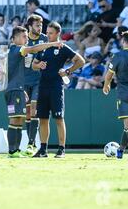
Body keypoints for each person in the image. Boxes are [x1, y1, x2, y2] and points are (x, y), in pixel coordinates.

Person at [5, 25, 63, 158]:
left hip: (19, 89)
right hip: (14, 90)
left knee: (19, 120)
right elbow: (33, 49)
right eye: (24, 36)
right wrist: (52, 44)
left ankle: (16, 150)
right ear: (15, 38)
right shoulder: (16, 49)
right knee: (14, 120)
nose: (26, 38)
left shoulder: (17, 50)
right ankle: (12, 151)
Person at [31, 22, 85, 158]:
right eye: (47, 32)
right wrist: (39, 65)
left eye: (50, 33)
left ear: (57, 34)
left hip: (56, 87)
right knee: (42, 119)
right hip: (42, 86)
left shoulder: (63, 48)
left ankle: (61, 149)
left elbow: (80, 61)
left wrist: (68, 71)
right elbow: (33, 65)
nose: (47, 35)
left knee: (59, 118)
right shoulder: (43, 48)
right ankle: (43, 149)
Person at [103, 30, 128, 160]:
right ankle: (120, 150)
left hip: (124, 92)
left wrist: (106, 85)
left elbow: (109, 75)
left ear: (123, 41)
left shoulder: (118, 55)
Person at [23, 14, 48, 156]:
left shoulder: (44, 39)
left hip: (39, 80)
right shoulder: (23, 39)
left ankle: (31, 143)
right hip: (25, 80)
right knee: (27, 113)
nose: (40, 28)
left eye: (41, 25)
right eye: (37, 25)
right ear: (30, 26)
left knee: (34, 109)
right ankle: (30, 142)